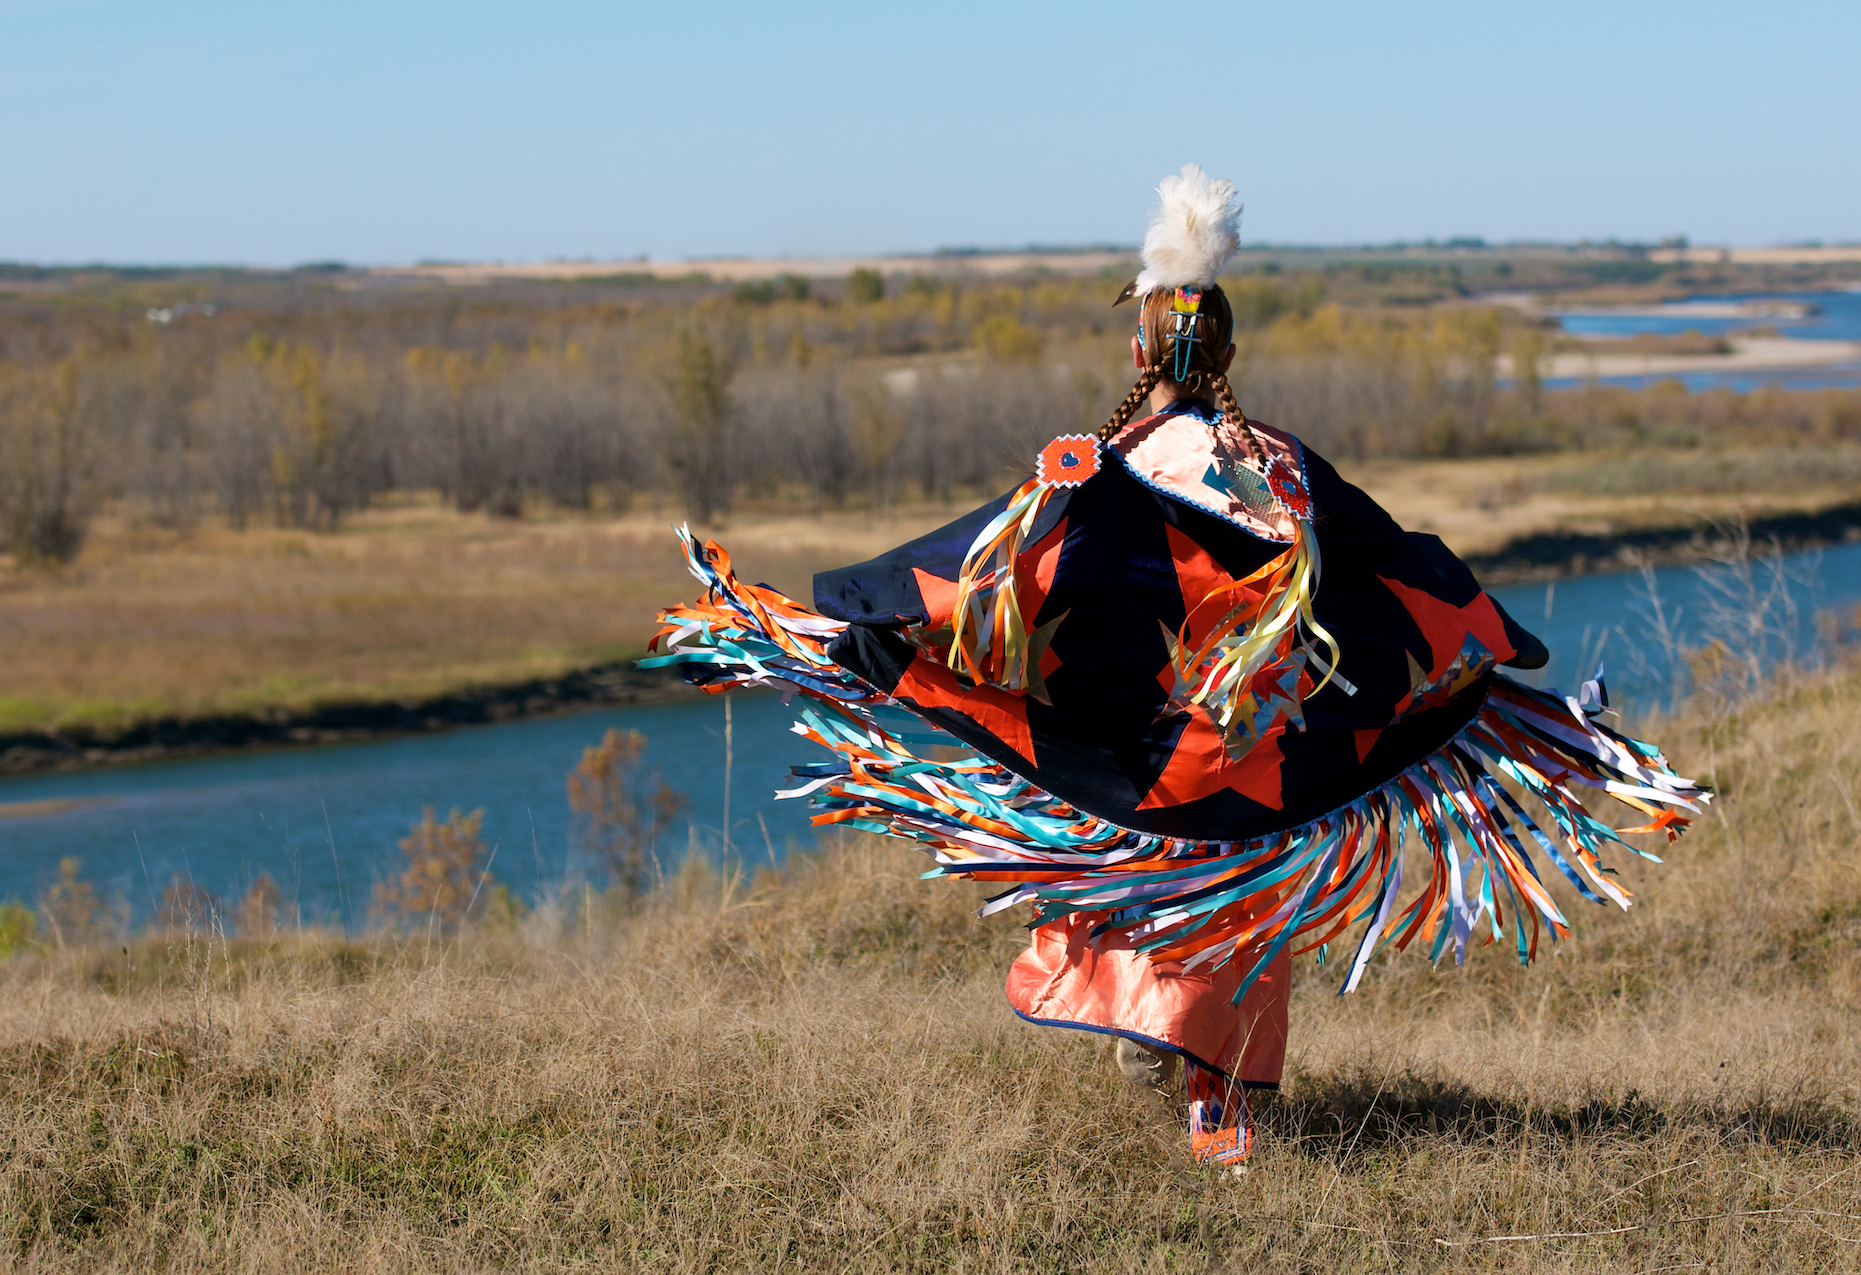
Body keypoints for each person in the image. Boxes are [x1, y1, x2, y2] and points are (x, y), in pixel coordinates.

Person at [644, 165, 1707, 1166]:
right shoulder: (1283, 467)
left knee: (1144, 886)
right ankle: (1217, 1101)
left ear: (1143, 346)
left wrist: (873, 620)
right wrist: (1479, 652)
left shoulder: (1103, 474)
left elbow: (990, 582)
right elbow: (1392, 574)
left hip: (1142, 761)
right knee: (1238, 910)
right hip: (1266, 767)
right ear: (1225, 349)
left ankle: (1164, 1052)